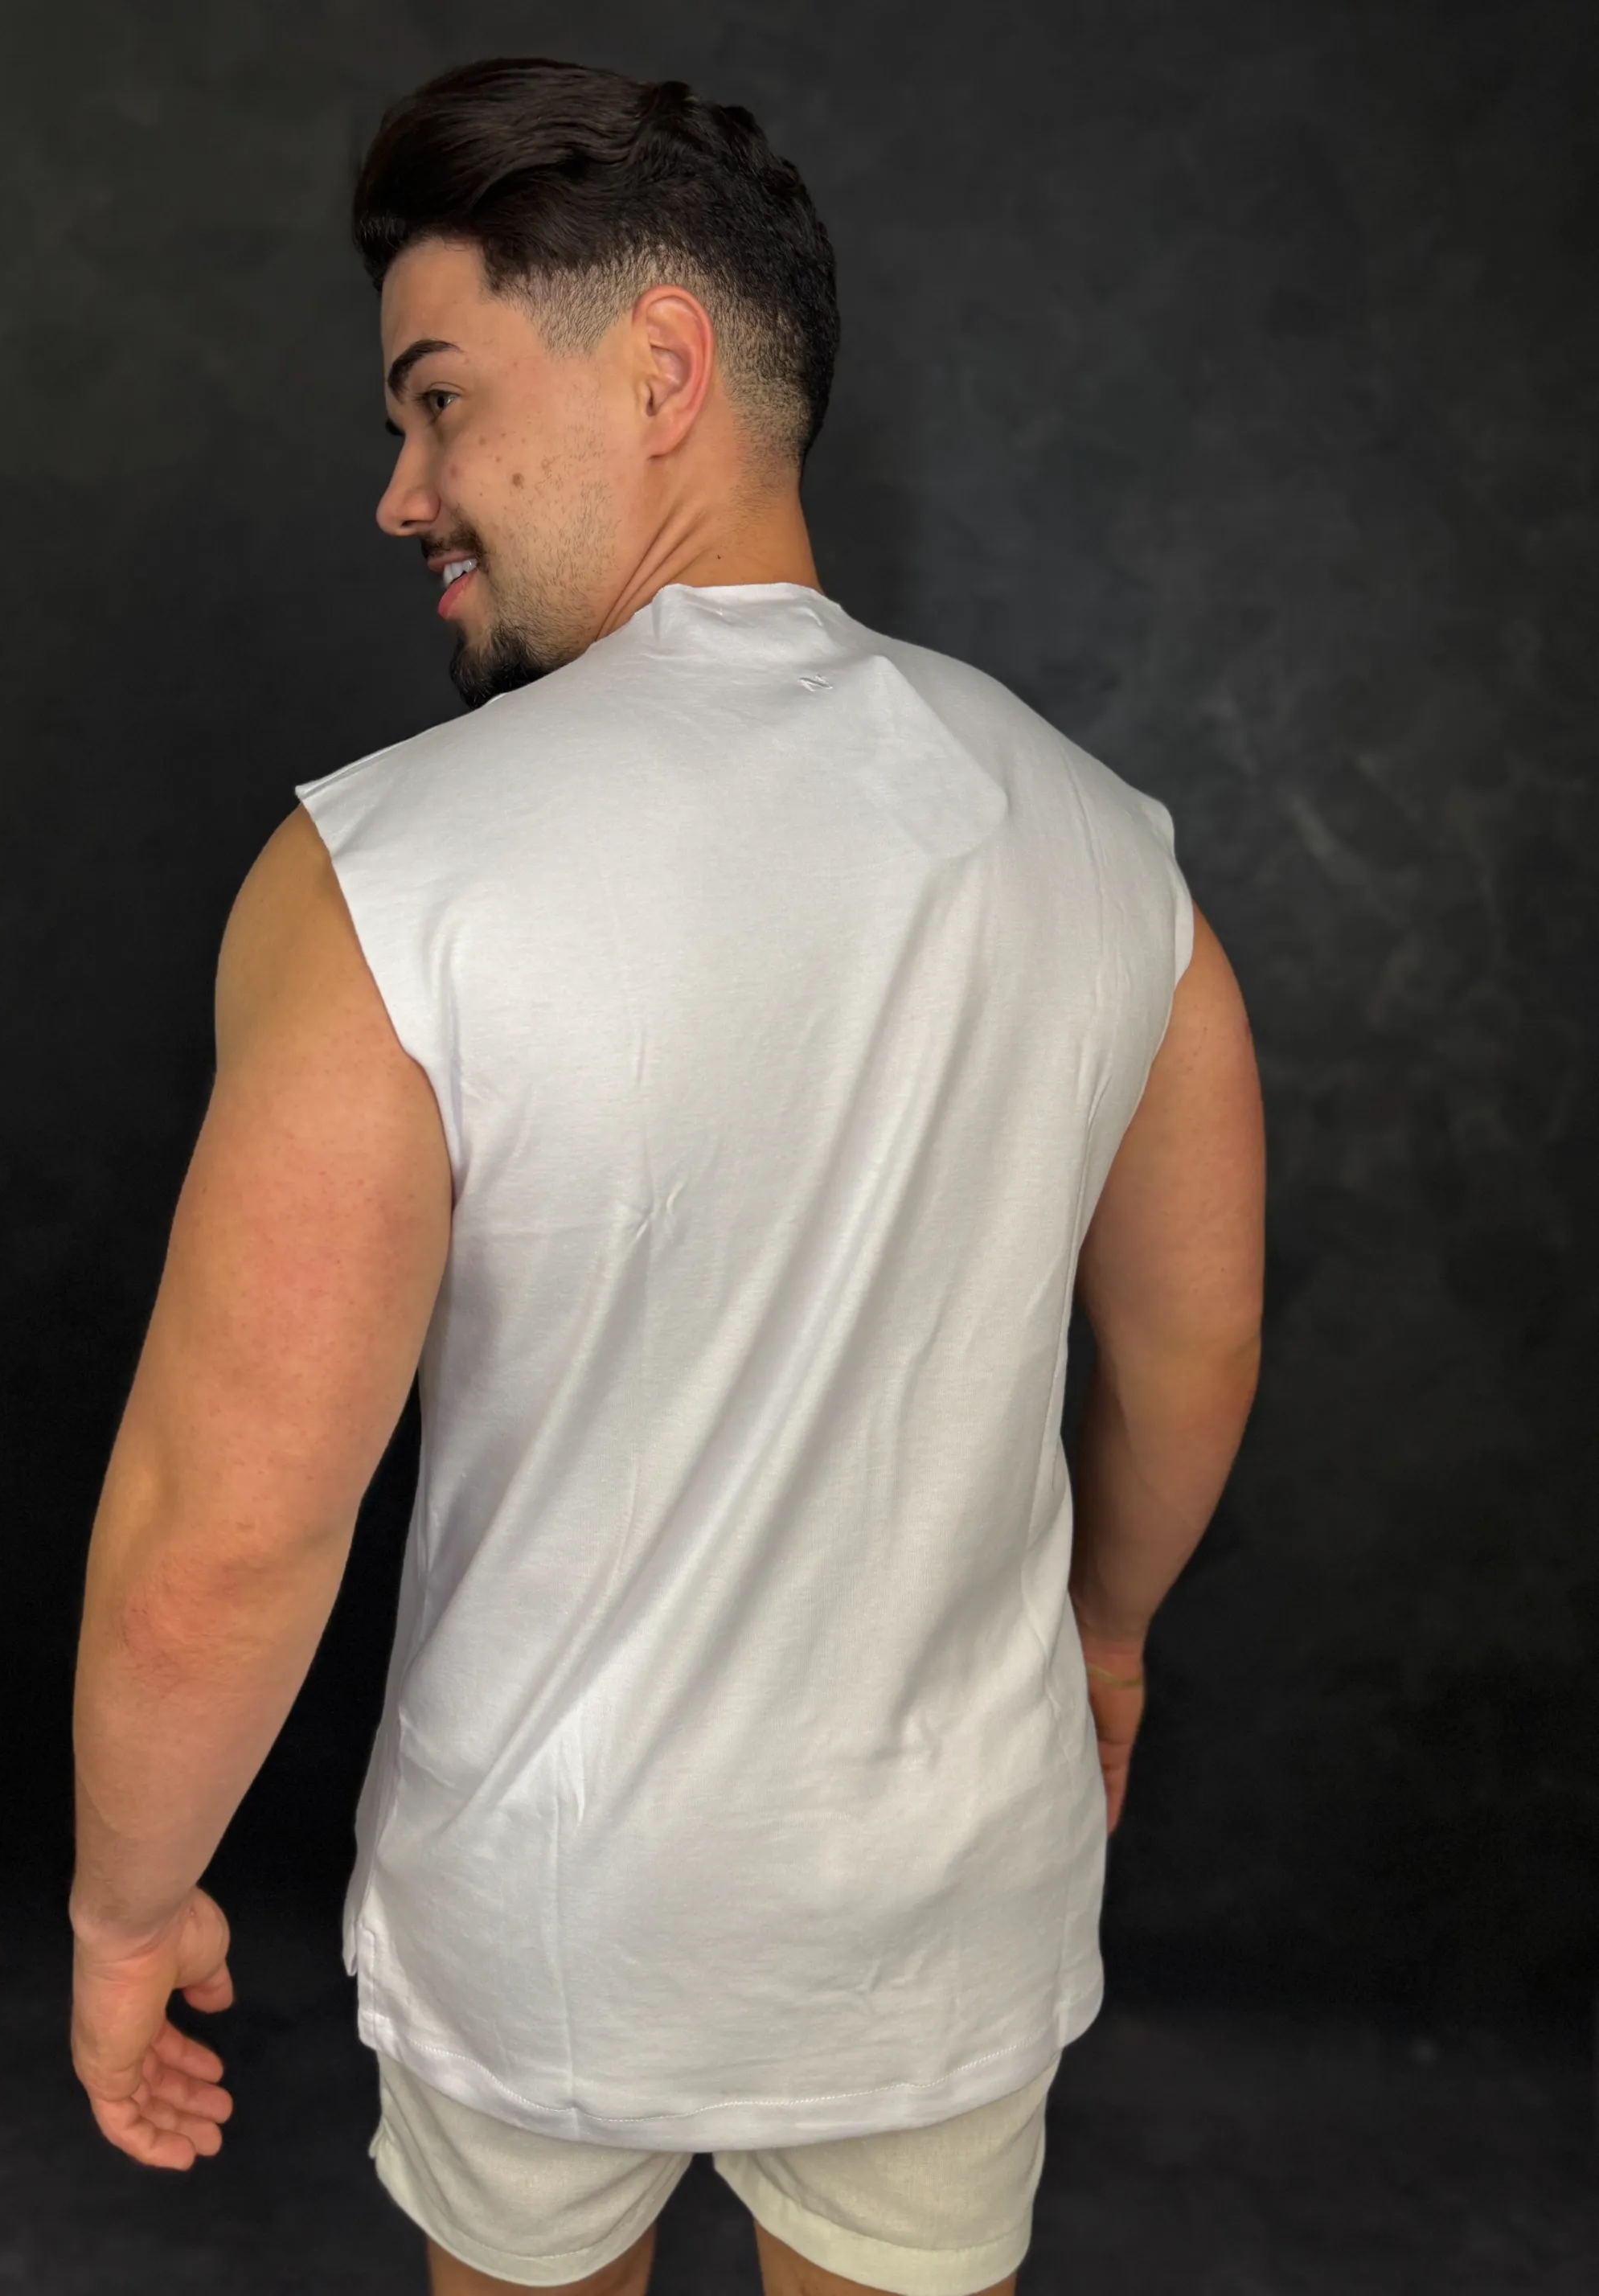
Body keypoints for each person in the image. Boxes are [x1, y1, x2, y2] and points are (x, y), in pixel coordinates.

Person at [68, 55, 1265, 2296]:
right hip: (936, 1898)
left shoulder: (384, 881)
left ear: (661, 367)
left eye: (437, 404)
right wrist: (1102, 1638)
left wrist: (128, 1904)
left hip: (546, 1913)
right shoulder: (1113, 856)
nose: (401, 495)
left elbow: (221, 1543)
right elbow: (1191, 1348)